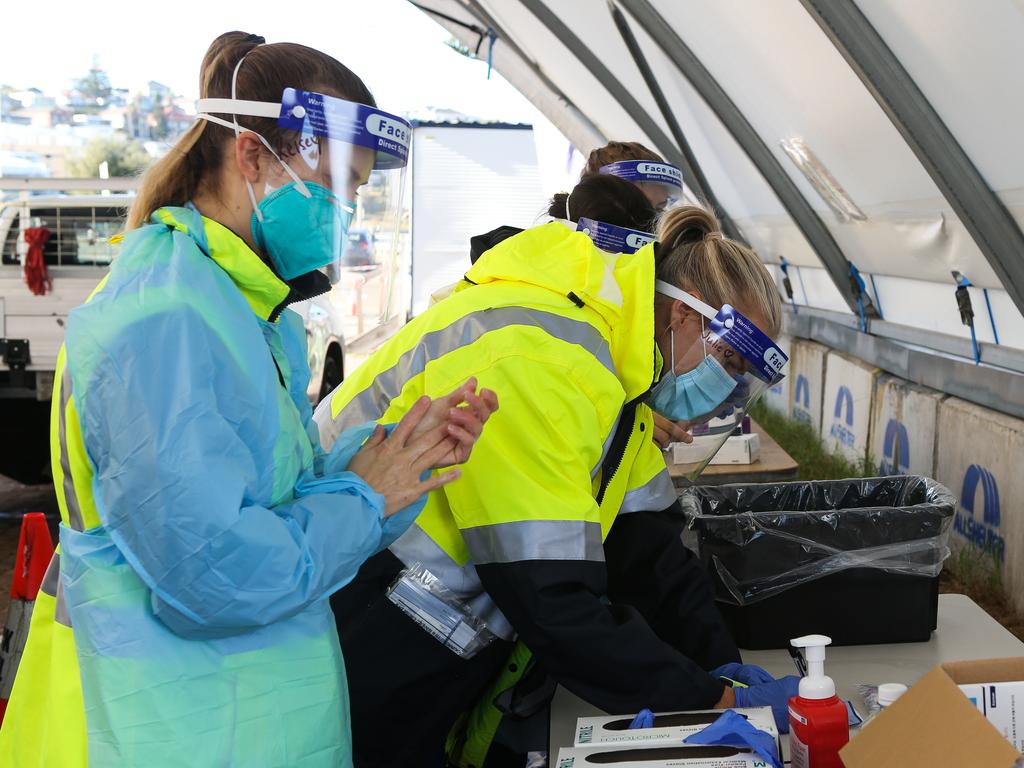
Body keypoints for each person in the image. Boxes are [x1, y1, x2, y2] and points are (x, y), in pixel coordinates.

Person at [0, 31, 498, 768]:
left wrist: (396, 461)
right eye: (341, 184)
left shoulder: (245, 311)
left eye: (358, 189)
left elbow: (270, 501)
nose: (349, 210)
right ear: (253, 156)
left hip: (247, 717)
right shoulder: (163, 319)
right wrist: (366, 497)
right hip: (177, 730)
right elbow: (212, 573)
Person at [316, 166, 797, 765]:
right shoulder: (545, 360)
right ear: (684, 318)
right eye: (729, 360)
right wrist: (711, 698)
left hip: (422, 624)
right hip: (358, 619)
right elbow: (552, 598)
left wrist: (720, 663)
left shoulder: (618, 379)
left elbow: (649, 554)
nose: (726, 388)